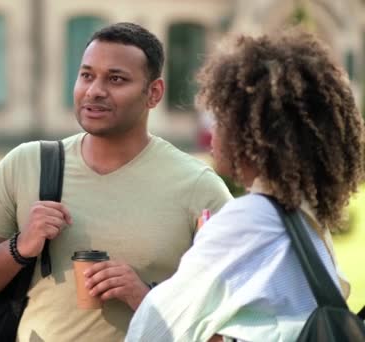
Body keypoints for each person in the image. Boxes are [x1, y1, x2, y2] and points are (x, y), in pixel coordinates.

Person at [0, 22, 232, 341]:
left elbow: (229, 321)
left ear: (153, 93)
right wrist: (21, 246)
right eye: (87, 75)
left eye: (116, 79)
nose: (94, 90)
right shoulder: (27, 164)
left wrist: (144, 297)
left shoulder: (199, 187)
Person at [126, 30, 364, 341]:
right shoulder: (304, 218)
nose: (213, 131)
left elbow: (156, 328)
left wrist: (139, 295)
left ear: (255, 134)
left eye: (222, 117)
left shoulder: (252, 219)